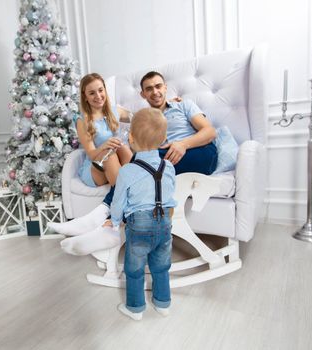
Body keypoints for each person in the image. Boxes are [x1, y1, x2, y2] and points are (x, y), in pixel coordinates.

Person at [52, 71, 217, 244]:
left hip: (199, 151)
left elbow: (210, 132)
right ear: (143, 94)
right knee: (138, 162)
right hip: (163, 158)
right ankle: (111, 224)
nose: (155, 92)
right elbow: (133, 122)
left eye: (158, 86)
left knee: (140, 161)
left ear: (166, 87)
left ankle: (103, 215)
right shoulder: (145, 117)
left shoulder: (184, 105)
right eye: (149, 89)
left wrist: (183, 144)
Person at [107, 107, 176, 320]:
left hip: (139, 226)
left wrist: (115, 220)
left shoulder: (127, 170)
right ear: (164, 139)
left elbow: (118, 201)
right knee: (161, 265)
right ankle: (163, 303)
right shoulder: (169, 166)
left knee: (135, 269)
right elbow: (171, 195)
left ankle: (135, 308)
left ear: (130, 138)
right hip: (164, 223)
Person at [54, 73, 133, 237]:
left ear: (105, 89)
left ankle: (117, 211)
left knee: (123, 148)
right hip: (95, 167)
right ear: (85, 97)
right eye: (92, 93)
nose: (98, 96)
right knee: (110, 154)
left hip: (114, 160)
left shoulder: (114, 111)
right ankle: (120, 215)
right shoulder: (83, 120)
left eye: (100, 90)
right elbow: (90, 153)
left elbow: (136, 117)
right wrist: (104, 146)